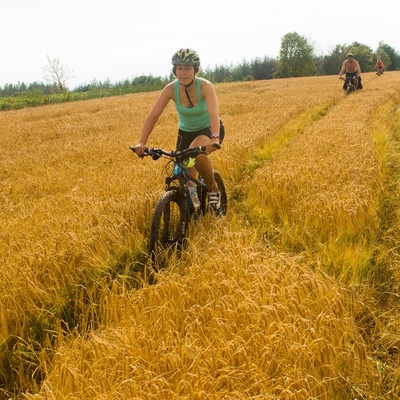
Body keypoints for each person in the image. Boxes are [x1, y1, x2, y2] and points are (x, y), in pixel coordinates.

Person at [133, 48, 225, 210]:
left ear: (195, 70)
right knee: (185, 177)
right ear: (174, 70)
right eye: (179, 68)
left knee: (196, 154)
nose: (183, 73)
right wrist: (142, 142)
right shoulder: (170, 89)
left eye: (187, 68)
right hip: (185, 133)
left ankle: (213, 189)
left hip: (208, 129)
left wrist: (215, 138)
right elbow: (153, 115)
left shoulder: (205, 86)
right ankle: (192, 211)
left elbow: (213, 112)